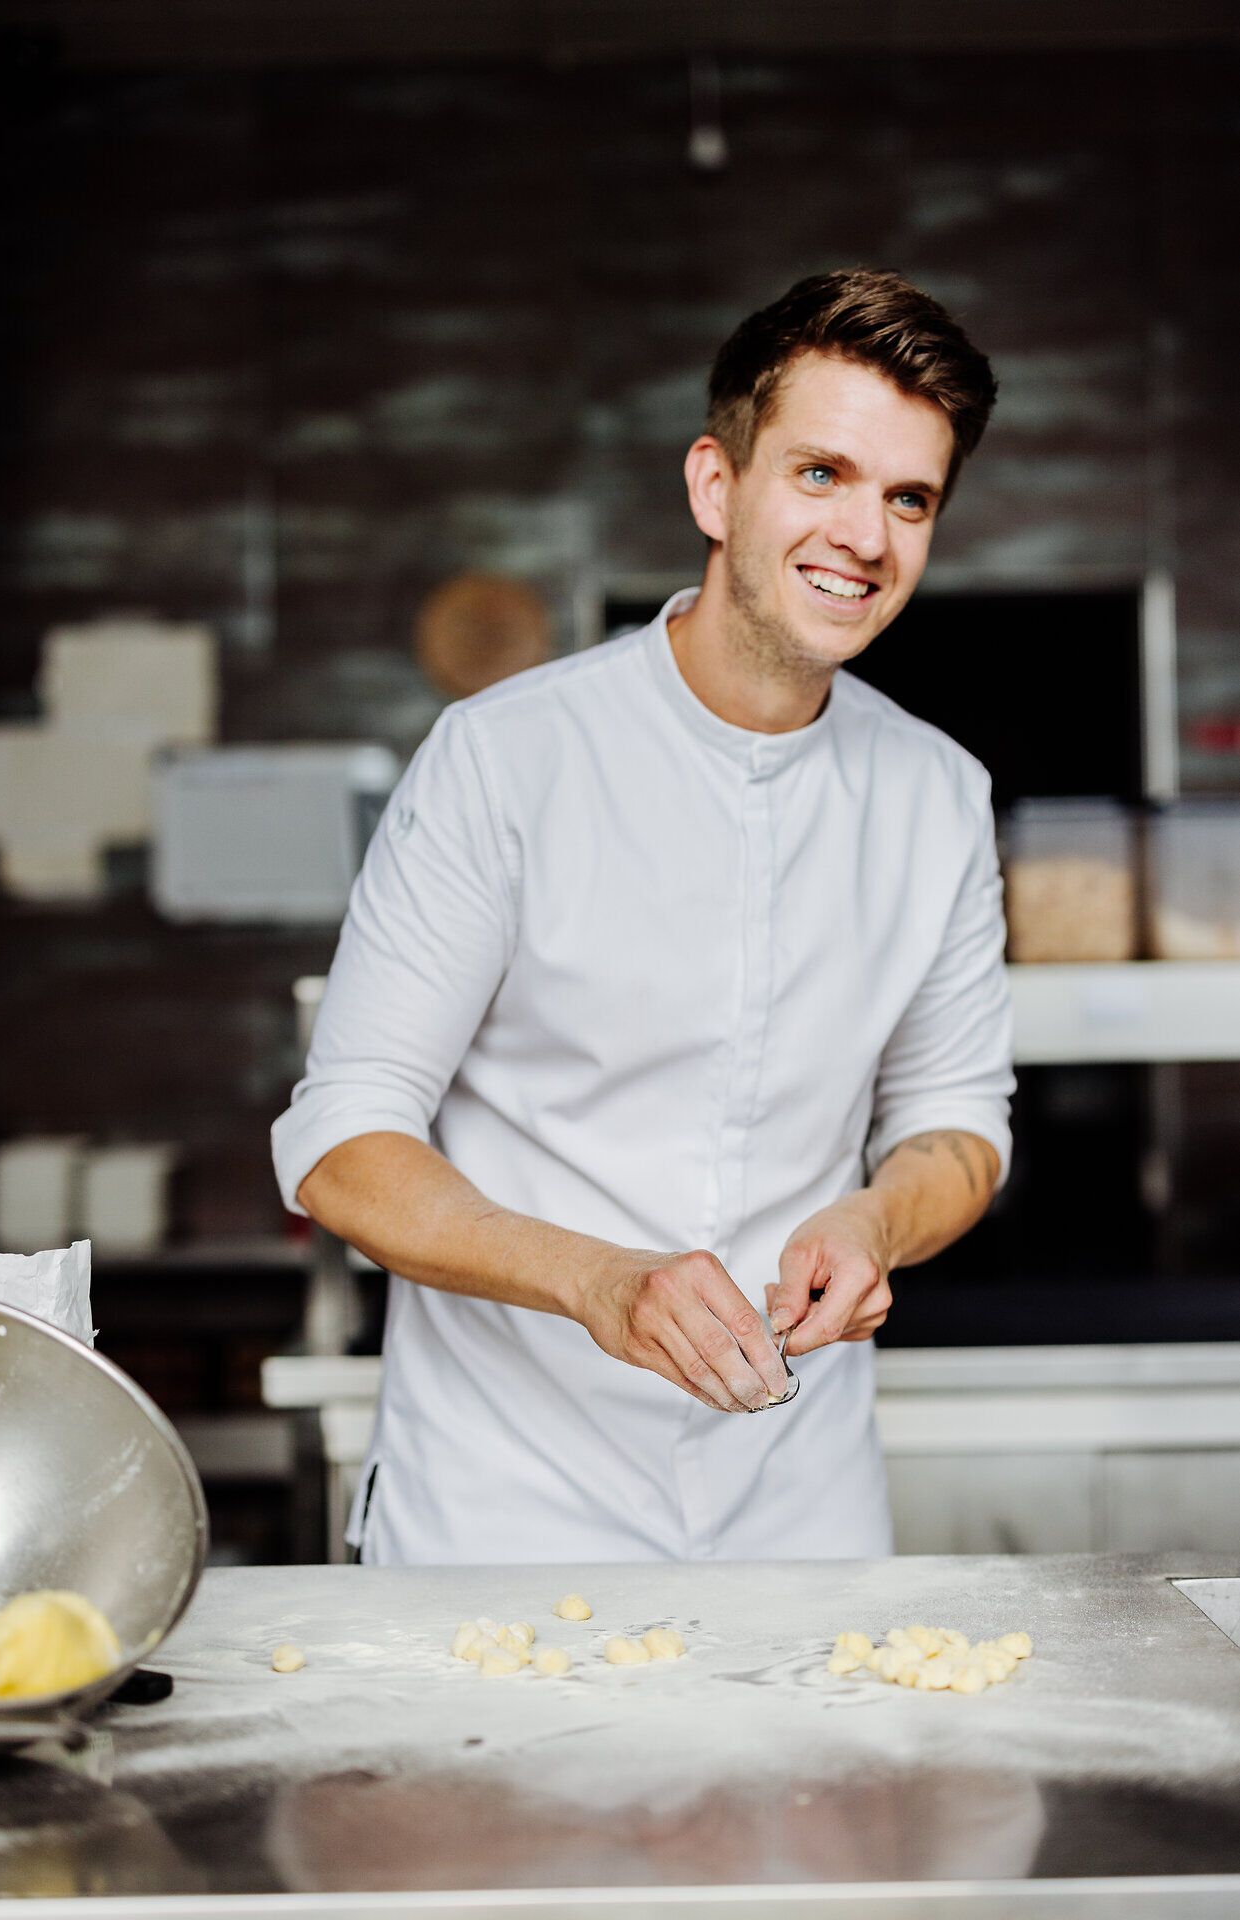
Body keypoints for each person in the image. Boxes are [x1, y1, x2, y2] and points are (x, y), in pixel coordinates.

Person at [272, 268, 1015, 1566]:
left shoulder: (937, 795)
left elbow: (958, 1120)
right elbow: (345, 1143)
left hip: (799, 1499)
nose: (866, 536)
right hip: (503, 1495)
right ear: (715, 488)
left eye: (909, 499)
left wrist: (870, 1220)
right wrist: (599, 1282)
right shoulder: (506, 758)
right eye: (822, 474)